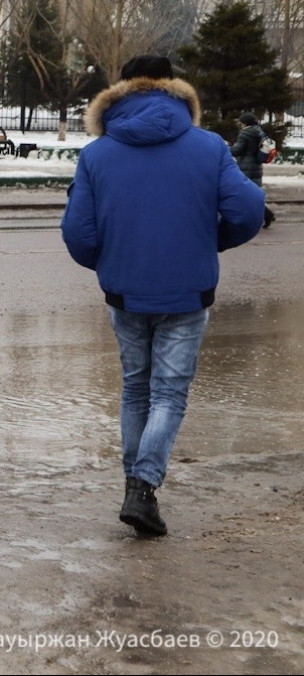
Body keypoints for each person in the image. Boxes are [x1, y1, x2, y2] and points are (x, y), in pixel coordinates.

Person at [61, 55, 264, 537]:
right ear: (175, 89)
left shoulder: (97, 153)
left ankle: (137, 486)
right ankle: (143, 488)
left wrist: (111, 264)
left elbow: (77, 232)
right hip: (189, 290)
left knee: (136, 387)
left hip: (125, 291)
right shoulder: (209, 146)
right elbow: (249, 207)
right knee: (169, 392)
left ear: (121, 91)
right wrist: (211, 241)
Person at [230, 112, 275, 228]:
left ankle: (263, 215)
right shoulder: (258, 131)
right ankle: (266, 215)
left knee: (244, 194)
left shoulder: (245, 133)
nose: (240, 125)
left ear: (244, 123)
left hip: (246, 168)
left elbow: (238, 150)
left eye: (241, 122)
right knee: (252, 194)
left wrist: (227, 149)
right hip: (256, 166)